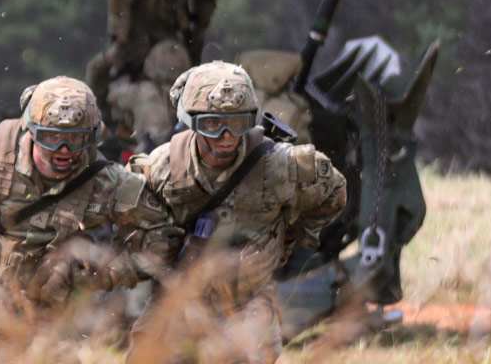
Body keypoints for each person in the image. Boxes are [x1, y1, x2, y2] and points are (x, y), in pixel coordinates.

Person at [129, 62, 347, 364]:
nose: (227, 136)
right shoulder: (163, 167)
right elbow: (129, 218)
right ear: (190, 121)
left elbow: (334, 193)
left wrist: (288, 236)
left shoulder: (281, 165)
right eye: (212, 124)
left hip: (248, 306)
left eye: (238, 122)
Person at [0, 77, 182, 308]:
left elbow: (162, 234)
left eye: (75, 139)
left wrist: (107, 273)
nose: (63, 150)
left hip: (47, 317)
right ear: (31, 131)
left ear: (91, 139)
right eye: (51, 137)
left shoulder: (105, 181)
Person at [89, 0, 221, 130]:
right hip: (136, 33)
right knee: (100, 68)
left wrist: (197, 34)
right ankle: (101, 120)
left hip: (170, 36)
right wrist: (121, 33)